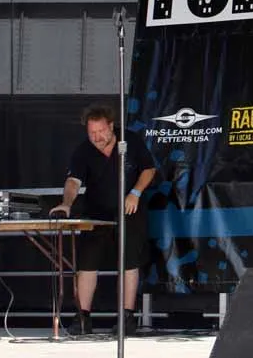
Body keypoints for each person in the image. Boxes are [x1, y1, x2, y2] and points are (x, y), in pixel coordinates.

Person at [50, 105, 156, 336]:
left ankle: (127, 316)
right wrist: (67, 204)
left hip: (129, 209)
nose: (97, 137)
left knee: (129, 262)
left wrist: (135, 192)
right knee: (87, 263)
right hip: (97, 211)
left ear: (111, 126)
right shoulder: (83, 151)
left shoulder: (130, 140)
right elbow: (73, 181)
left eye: (101, 132)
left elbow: (148, 169)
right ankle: (82, 316)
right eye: (92, 133)